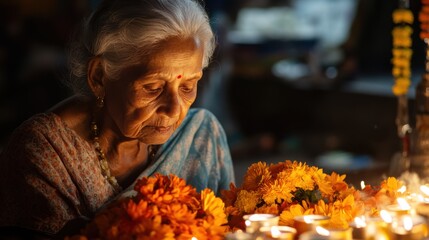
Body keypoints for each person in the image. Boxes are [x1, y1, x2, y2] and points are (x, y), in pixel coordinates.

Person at [0, 0, 235, 238]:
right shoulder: (45, 153)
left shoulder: (199, 135)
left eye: (187, 86)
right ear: (99, 77)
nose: (174, 111)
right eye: (153, 88)